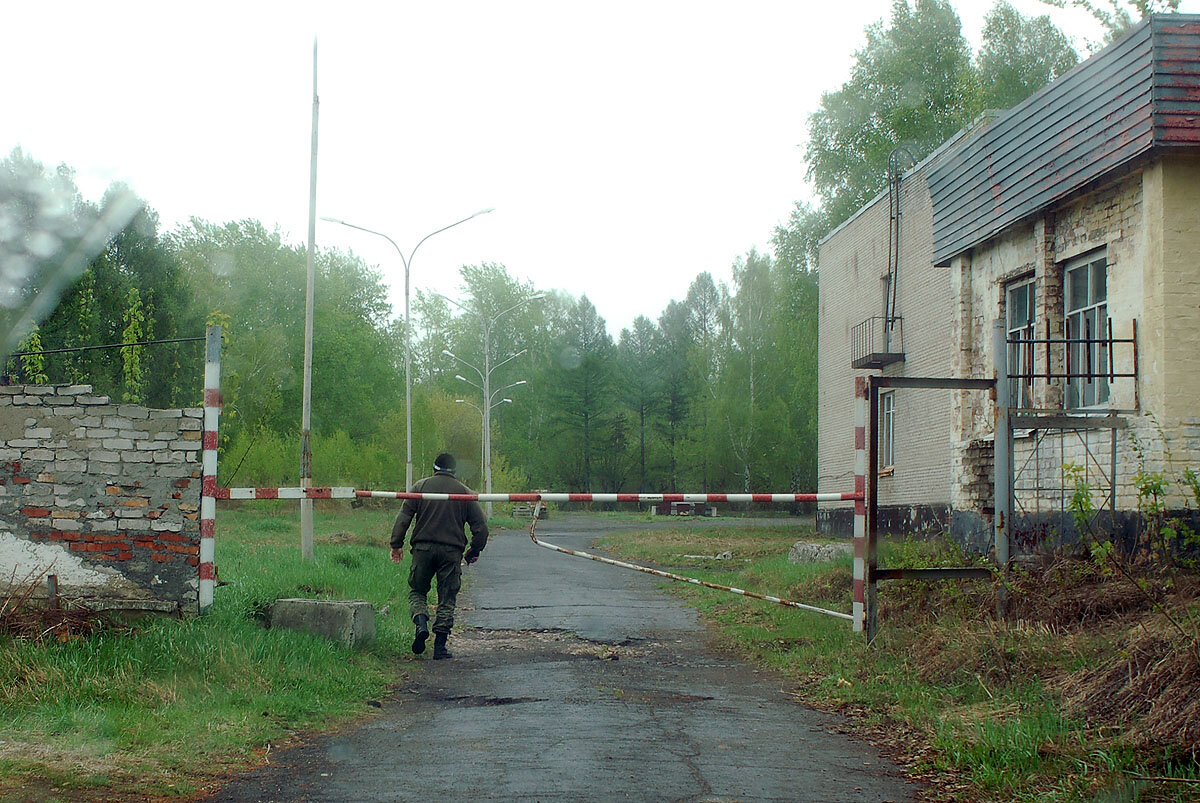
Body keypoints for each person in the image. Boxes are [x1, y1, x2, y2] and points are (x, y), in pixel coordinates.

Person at [390, 452, 488, 660]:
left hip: (422, 550)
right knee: (447, 597)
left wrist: (396, 544)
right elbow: (481, 528)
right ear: (454, 472)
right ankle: (440, 648)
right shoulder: (464, 492)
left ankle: (421, 623)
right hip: (451, 552)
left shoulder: (420, 487)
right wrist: (474, 550)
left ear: (434, 469)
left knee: (417, 591)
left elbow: (403, 517)